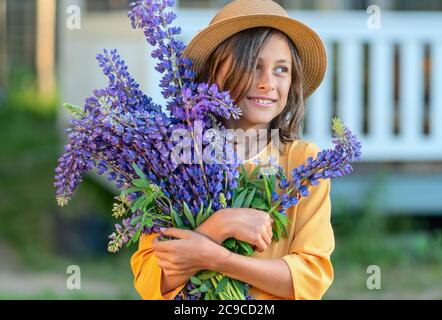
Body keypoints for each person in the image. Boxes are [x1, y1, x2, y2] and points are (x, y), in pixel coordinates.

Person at [130, 0, 334, 300]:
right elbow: (153, 281)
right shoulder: (175, 157)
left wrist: (217, 259)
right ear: (215, 73)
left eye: (281, 69)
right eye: (253, 65)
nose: (267, 83)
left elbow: (309, 279)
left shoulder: (304, 162)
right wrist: (220, 225)